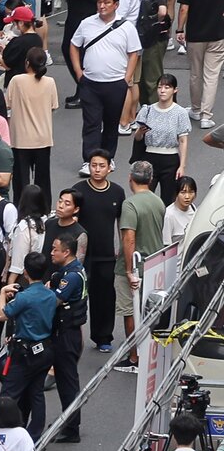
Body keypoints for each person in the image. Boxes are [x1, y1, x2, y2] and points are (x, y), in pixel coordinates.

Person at [69, 0, 141, 172]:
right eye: (99, 2)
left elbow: (134, 53)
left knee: (111, 122)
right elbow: (74, 45)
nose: (102, 6)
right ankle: (90, 160)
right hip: (90, 83)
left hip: (116, 83)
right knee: (91, 122)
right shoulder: (87, 23)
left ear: (116, 4)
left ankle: (108, 158)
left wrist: (126, 79)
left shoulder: (126, 27)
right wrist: (79, 72)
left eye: (106, 2)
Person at [0, 252, 59, 439]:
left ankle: (1, 429)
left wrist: (1, 293)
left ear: (25, 272)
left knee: (9, 392)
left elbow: (1, 315)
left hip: (24, 351)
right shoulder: (50, 295)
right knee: (36, 392)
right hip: (45, 349)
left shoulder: (24, 297)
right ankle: (34, 433)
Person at [73, 150, 126, 355]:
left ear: (109, 168)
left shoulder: (117, 192)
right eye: (93, 165)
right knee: (77, 297)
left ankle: (103, 337)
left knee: (104, 298)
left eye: (101, 165)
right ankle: (73, 339)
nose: (97, 169)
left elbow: (122, 222)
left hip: (106, 255)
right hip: (81, 255)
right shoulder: (78, 190)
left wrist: (122, 249)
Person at [117, 161, 166, 370]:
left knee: (130, 311)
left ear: (130, 178)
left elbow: (129, 238)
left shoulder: (130, 204)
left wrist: (128, 270)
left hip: (135, 266)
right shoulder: (159, 202)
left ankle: (134, 357)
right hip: (154, 263)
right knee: (149, 311)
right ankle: (149, 351)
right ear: (151, 179)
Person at [177, 0, 224, 128]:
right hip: (218, 34)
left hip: (195, 35)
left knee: (196, 74)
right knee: (212, 75)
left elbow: (183, 9)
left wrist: (180, 29)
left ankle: (196, 110)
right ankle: (206, 115)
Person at [48, 234, 88, 443]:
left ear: (67, 252)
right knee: (66, 381)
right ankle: (68, 421)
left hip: (66, 335)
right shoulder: (70, 271)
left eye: (55, 249)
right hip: (69, 332)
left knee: (68, 382)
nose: (52, 252)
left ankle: (72, 428)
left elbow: (53, 301)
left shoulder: (71, 276)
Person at [6, 47, 58, 198]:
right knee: (43, 179)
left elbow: (7, 103)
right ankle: (44, 210)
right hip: (43, 138)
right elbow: (53, 106)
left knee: (21, 181)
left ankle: (21, 210)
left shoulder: (16, 80)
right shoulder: (49, 82)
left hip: (20, 139)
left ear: (27, 62)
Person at [134, 74, 191, 205]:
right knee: (144, 199)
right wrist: (140, 132)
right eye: (160, 87)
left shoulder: (180, 113)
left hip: (170, 159)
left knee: (168, 201)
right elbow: (138, 138)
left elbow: (183, 140)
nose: (162, 90)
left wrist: (182, 166)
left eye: (167, 87)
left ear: (175, 90)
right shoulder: (147, 110)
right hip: (148, 158)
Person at [164, 176, 198, 244]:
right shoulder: (168, 215)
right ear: (176, 194)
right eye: (183, 192)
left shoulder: (193, 208)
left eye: (191, 192)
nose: (187, 197)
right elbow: (166, 244)